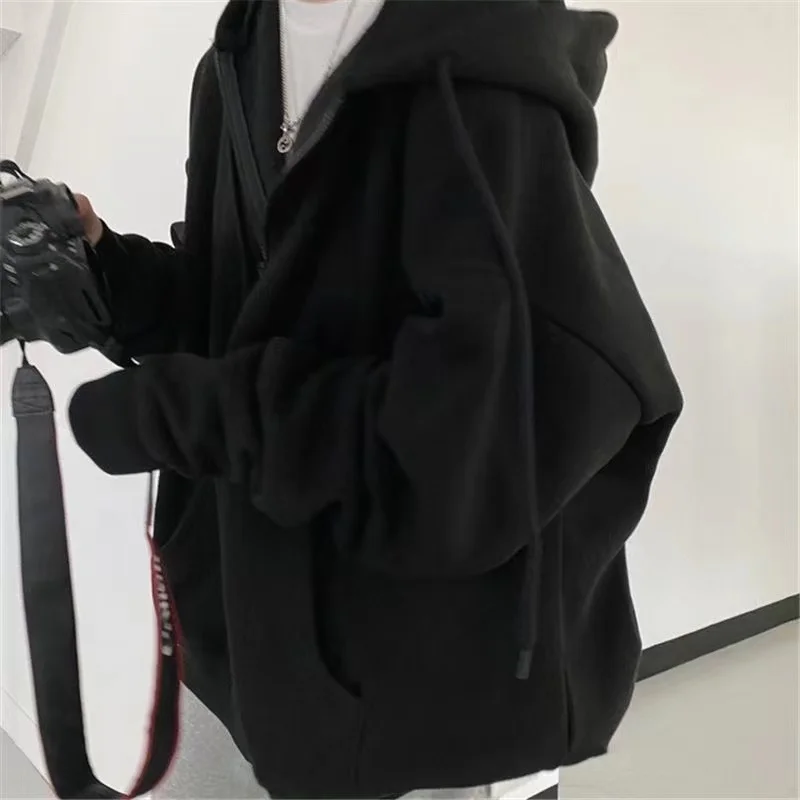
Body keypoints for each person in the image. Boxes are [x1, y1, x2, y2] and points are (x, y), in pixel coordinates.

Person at [68, 1, 683, 798]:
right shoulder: (238, 53)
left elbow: (476, 440)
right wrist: (103, 276)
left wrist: (184, 413)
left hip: (415, 695)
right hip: (239, 639)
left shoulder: (483, 61)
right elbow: (240, 305)